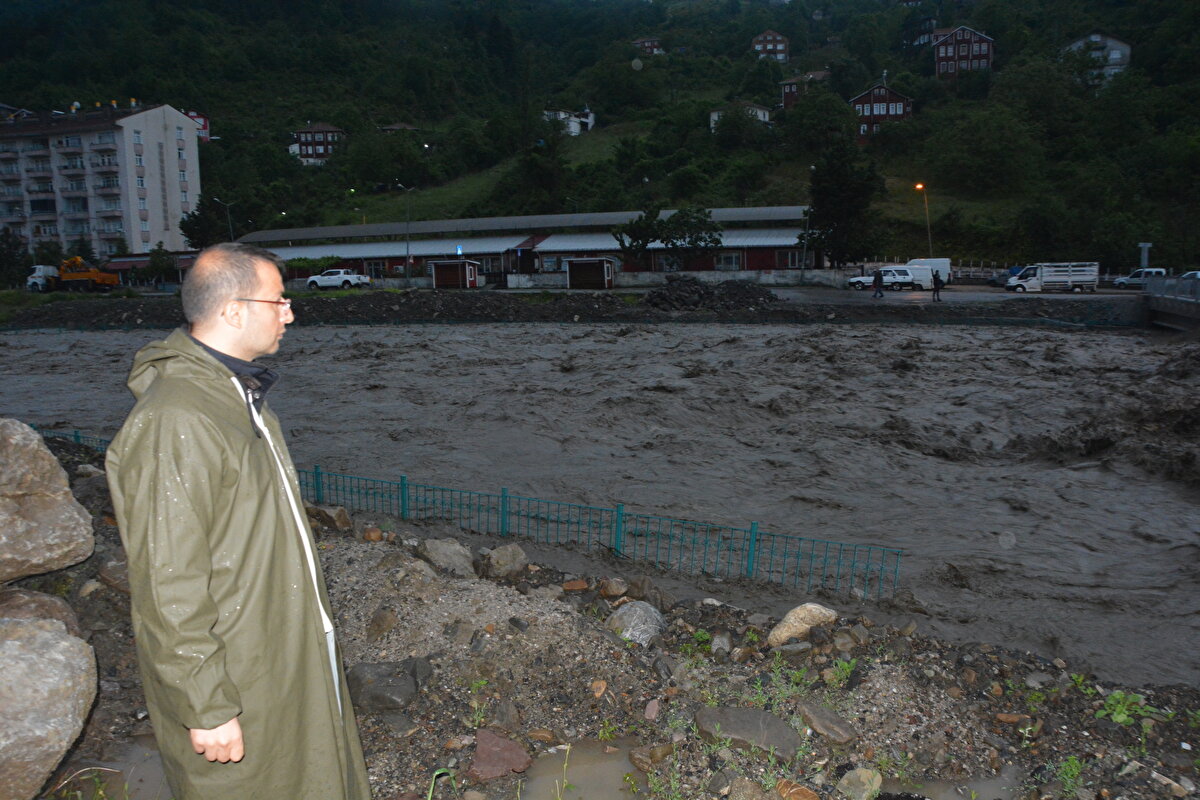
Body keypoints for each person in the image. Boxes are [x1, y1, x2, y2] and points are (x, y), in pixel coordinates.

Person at [106, 243, 371, 800]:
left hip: (276, 647)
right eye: (278, 300)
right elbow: (166, 580)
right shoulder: (177, 419)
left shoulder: (237, 398)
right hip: (239, 668)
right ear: (233, 311)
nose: (290, 312)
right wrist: (205, 703)